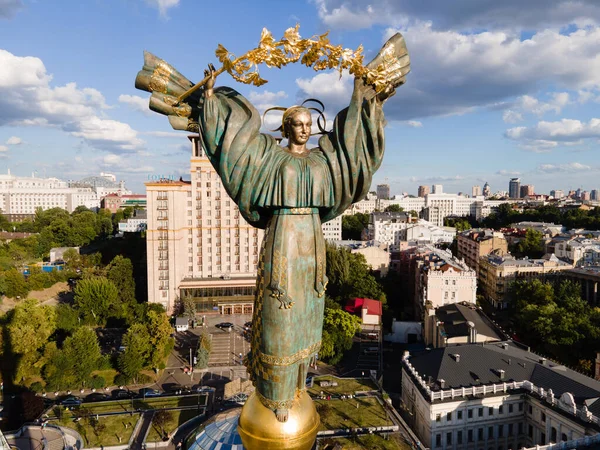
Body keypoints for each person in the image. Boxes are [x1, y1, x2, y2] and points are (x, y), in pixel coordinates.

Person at [198, 66, 394, 422]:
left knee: (308, 308)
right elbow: (233, 149)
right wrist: (210, 100)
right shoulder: (271, 158)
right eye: (297, 124)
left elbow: (353, 152)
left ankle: (298, 381)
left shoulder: (323, 159)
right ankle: (276, 394)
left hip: (312, 240)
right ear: (286, 128)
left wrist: (368, 100)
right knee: (281, 311)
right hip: (284, 237)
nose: (304, 129)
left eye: (308, 124)